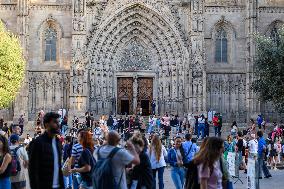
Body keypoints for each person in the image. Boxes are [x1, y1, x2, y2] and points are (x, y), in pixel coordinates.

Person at [28, 112, 64, 189]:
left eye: (58, 122)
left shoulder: (58, 142)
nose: (58, 125)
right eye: (55, 122)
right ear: (47, 124)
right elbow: (33, 170)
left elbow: (58, 167)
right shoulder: (37, 143)